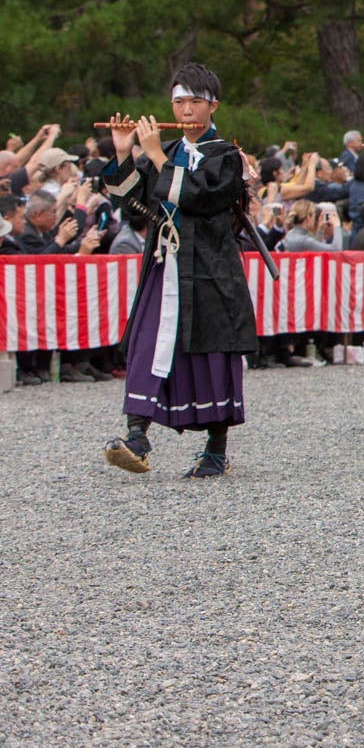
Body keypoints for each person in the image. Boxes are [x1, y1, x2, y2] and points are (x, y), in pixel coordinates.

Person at [98, 64, 258, 478]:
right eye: (179, 101)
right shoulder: (167, 151)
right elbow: (131, 200)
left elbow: (201, 198)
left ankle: (216, 449)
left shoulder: (226, 155)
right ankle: (137, 436)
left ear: (212, 105)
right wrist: (122, 152)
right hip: (164, 263)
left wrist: (152, 154)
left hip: (209, 269)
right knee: (146, 344)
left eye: (195, 102)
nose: (185, 110)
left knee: (211, 354)